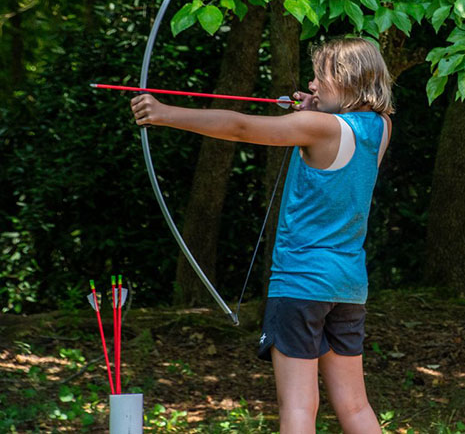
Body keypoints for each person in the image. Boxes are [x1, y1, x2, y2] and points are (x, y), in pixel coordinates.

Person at [131, 37, 392, 434]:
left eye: (321, 77)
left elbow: (239, 127)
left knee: (299, 407)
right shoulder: (381, 126)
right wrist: (314, 111)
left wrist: (164, 114)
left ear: (346, 79)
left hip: (302, 282)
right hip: (349, 286)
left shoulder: (317, 126)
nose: (314, 85)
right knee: (355, 406)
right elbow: (339, 143)